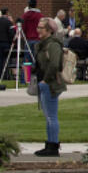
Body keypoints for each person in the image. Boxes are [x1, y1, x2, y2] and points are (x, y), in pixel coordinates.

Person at [32, 17, 66, 156]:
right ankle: (49, 144)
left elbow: (54, 64)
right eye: (38, 27)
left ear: (49, 30)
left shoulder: (53, 45)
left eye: (41, 28)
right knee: (48, 116)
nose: (38, 30)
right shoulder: (43, 44)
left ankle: (53, 146)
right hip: (44, 83)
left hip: (51, 84)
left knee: (51, 116)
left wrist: (45, 80)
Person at [20, 0, 43, 83]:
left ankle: (25, 79)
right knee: (37, 60)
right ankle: (36, 78)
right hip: (37, 39)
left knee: (27, 61)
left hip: (28, 40)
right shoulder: (39, 16)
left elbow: (22, 28)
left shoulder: (25, 15)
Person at [0, 8, 14, 80]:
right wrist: (12, 41)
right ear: (7, 13)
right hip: (7, 43)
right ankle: (6, 75)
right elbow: (11, 33)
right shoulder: (8, 22)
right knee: (7, 59)